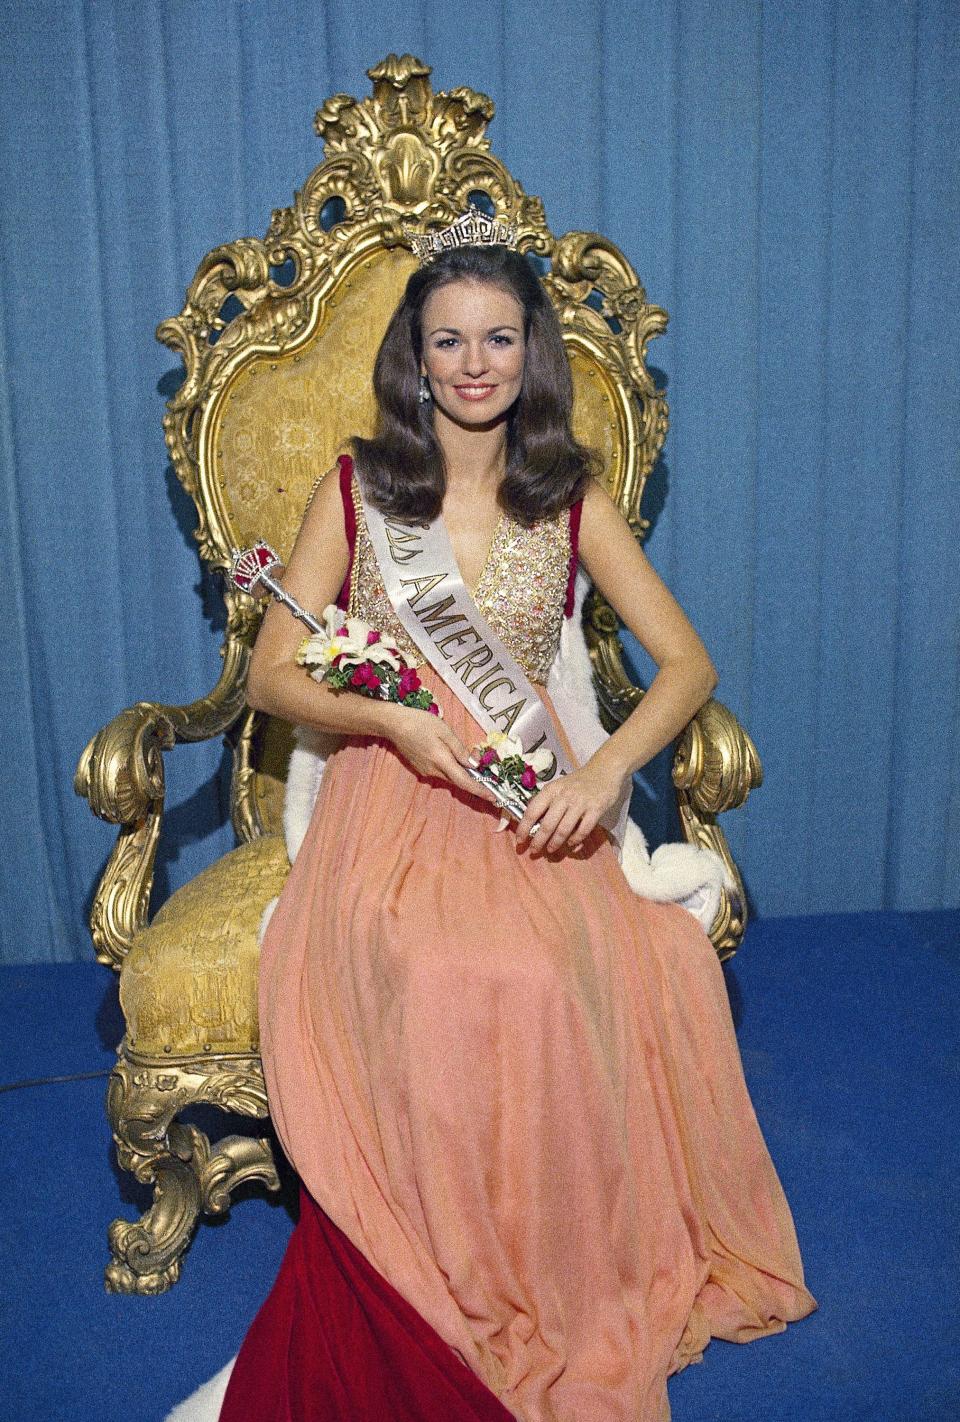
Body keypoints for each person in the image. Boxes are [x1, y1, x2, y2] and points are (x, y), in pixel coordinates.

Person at [168, 228, 817, 1422]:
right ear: (415, 358)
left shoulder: (567, 495)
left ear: (534, 356)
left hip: (531, 791)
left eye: (499, 339)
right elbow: (272, 676)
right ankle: (451, 1260)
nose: (474, 363)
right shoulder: (359, 490)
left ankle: (554, 1258)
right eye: (448, 340)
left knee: (611, 964)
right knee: (447, 969)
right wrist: (402, 728)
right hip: (393, 788)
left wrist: (611, 772)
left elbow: (684, 664)